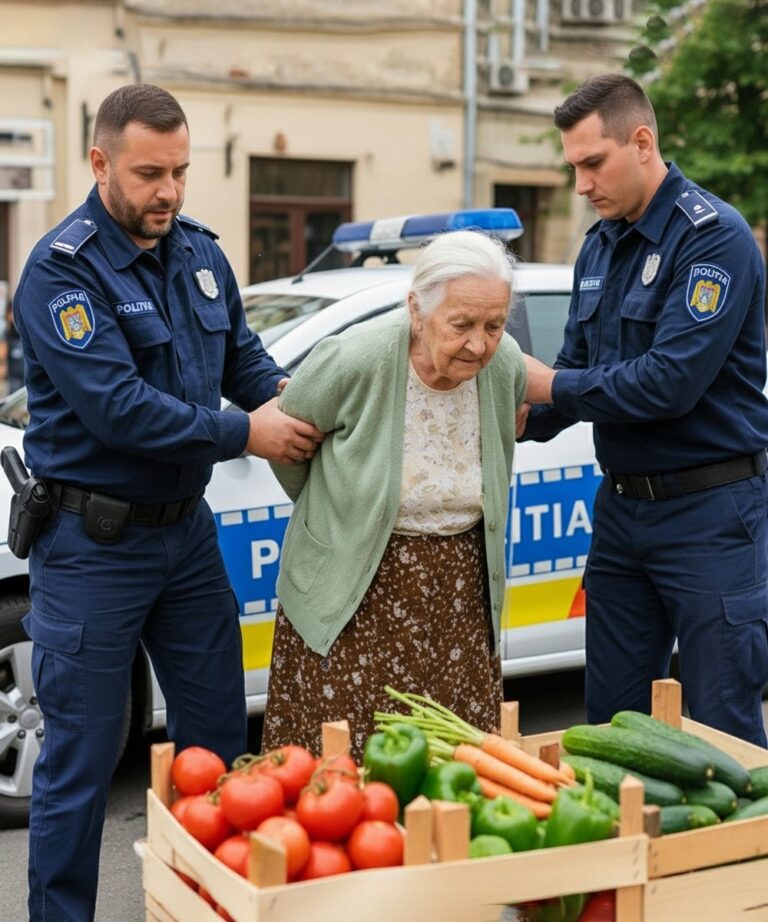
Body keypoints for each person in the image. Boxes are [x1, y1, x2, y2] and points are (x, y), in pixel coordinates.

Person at [12, 83, 323, 921]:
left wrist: (302, 401)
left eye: (182, 172)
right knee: (79, 761)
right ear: (100, 162)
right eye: (151, 174)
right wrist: (244, 435)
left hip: (185, 538)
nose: (169, 193)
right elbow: (118, 408)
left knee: (219, 741)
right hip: (92, 544)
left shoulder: (199, 253)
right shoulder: (60, 271)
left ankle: (198, 904)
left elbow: (248, 368)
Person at [519, 73, 768, 746]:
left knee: (724, 727)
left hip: (712, 515)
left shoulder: (713, 239)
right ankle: (631, 852)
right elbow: (575, 369)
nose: (581, 185)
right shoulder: (599, 246)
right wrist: (513, 414)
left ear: (642, 142)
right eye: (572, 167)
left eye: (593, 163)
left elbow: (668, 384)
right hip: (624, 514)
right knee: (613, 726)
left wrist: (545, 388)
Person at [261, 229, 527, 760]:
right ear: (416, 309)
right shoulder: (352, 359)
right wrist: (339, 514)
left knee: (453, 763)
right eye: (462, 325)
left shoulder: (504, 366)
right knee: (343, 767)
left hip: (458, 598)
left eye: (494, 325)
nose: (479, 343)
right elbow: (287, 444)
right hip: (357, 591)